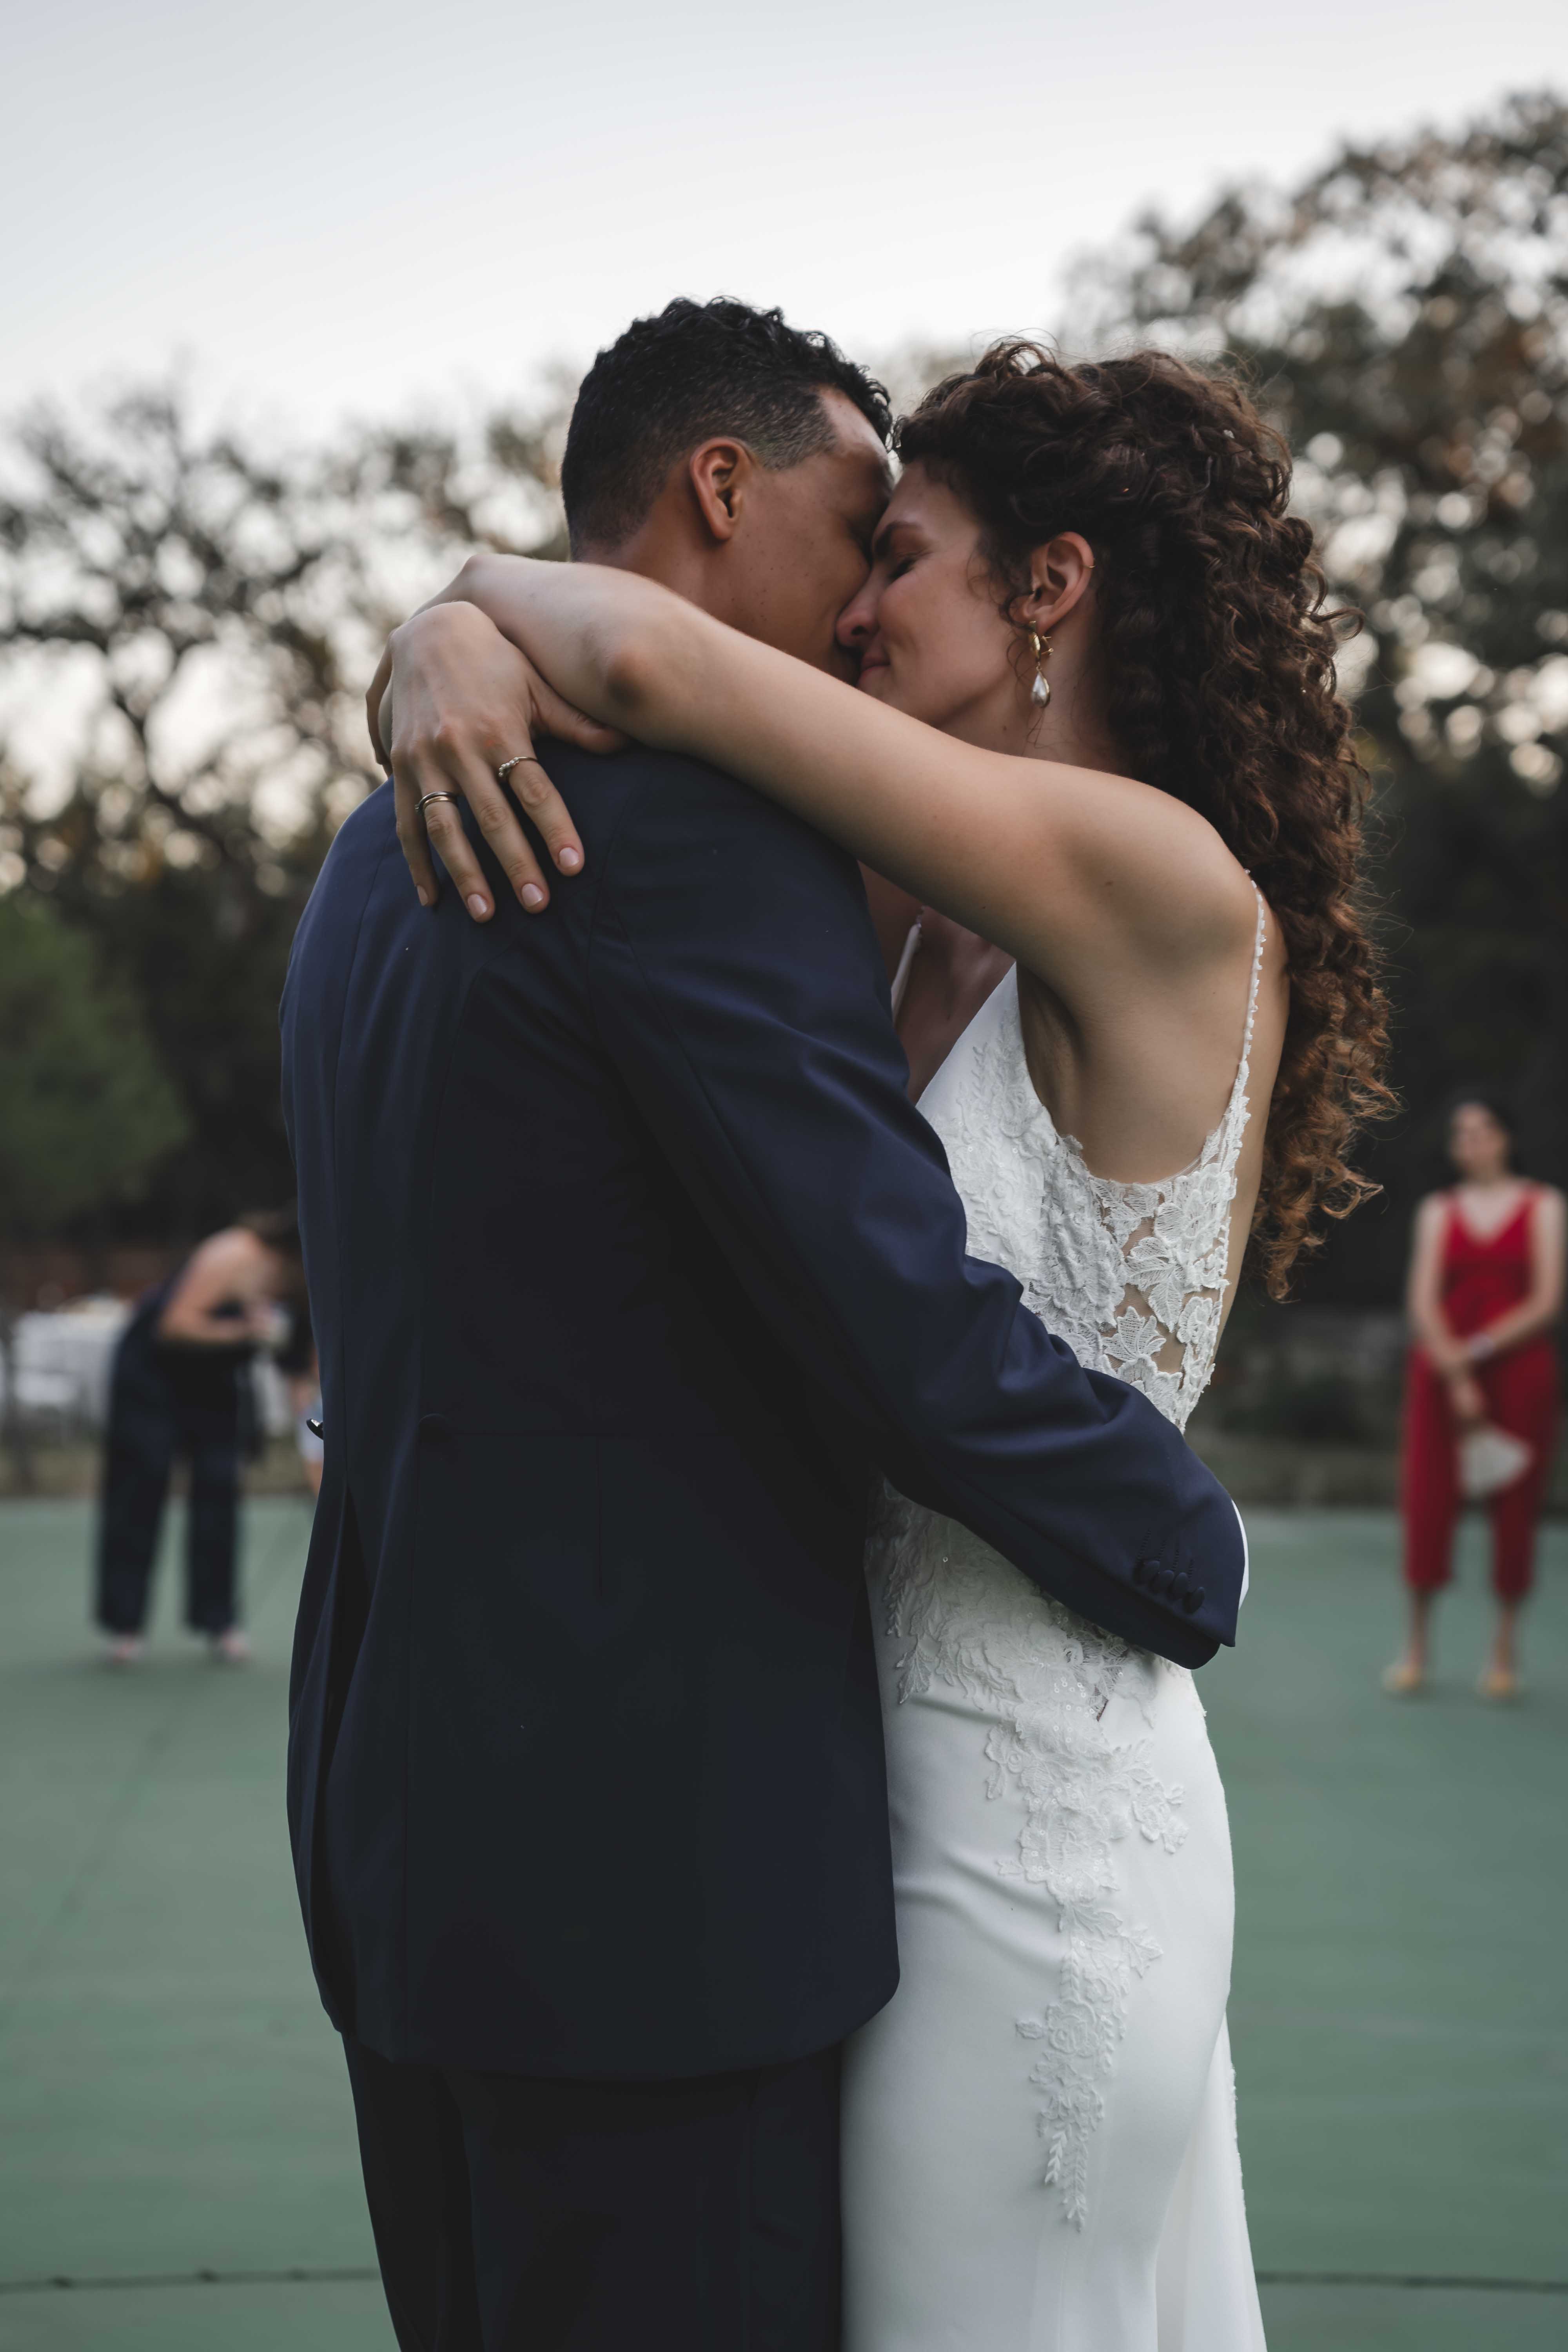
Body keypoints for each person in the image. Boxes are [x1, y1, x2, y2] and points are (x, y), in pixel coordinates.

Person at [376, 318, 1389, 2349]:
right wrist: (453, 651)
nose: (850, 609)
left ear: (1054, 589)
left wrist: (458, 606)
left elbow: (653, 662)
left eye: (899, 554)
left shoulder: (1154, 873)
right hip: (847, 1802)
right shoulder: (928, 919)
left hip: (1036, 1824)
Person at [1388, 1094, 1564, 1700]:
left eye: (1484, 1129)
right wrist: (1457, 1371)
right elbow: (1422, 1301)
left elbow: (1545, 1301)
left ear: (1506, 1137)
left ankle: (1504, 1651)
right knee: (1427, 1503)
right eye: (1462, 1132)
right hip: (1441, 1372)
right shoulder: (1438, 1210)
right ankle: (1416, 1647)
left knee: (1516, 1509)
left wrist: (1479, 1352)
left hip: (1520, 1374)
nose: (1473, 1141)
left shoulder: (1544, 1205)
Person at [94, 1207, 305, 1664]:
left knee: (219, 1490)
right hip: (152, 1377)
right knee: (140, 1492)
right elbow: (176, 1324)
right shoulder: (236, 1252)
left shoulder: (299, 1275)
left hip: (213, 1381)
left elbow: (296, 1365)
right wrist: (246, 1329)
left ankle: (219, 1622)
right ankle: (125, 1626)